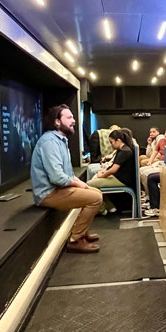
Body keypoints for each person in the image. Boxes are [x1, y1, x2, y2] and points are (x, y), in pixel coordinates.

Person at [31, 104, 102, 253]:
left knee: (96, 192)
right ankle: (75, 239)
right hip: (49, 193)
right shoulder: (50, 142)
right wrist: (78, 185)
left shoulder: (61, 140)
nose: (74, 120)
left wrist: (81, 183)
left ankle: (82, 231)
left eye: (73, 117)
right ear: (57, 122)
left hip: (59, 189)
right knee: (95, 198)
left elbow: (68, 174)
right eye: (69, 117)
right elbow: (57, 177)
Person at [87, 129, 136, 214]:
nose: (111, 145)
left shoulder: (125, 152)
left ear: (118, 140)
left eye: (111, 142)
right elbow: (113, 166)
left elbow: (113, 169)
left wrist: (102, 175)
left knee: (89, 184)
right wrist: (104, 171)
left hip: (121, 180)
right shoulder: (123, 150)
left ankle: (101, 209)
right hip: (119, 177)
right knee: (95, 178)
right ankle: (109, 206)